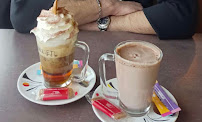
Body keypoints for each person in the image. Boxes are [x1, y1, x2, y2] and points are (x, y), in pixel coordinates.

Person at [0, 0, 197, 39]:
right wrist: (110, 6)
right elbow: (25, 14)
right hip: (35, 53)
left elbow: (182, 15)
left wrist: (103, 23)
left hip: (124, 54)